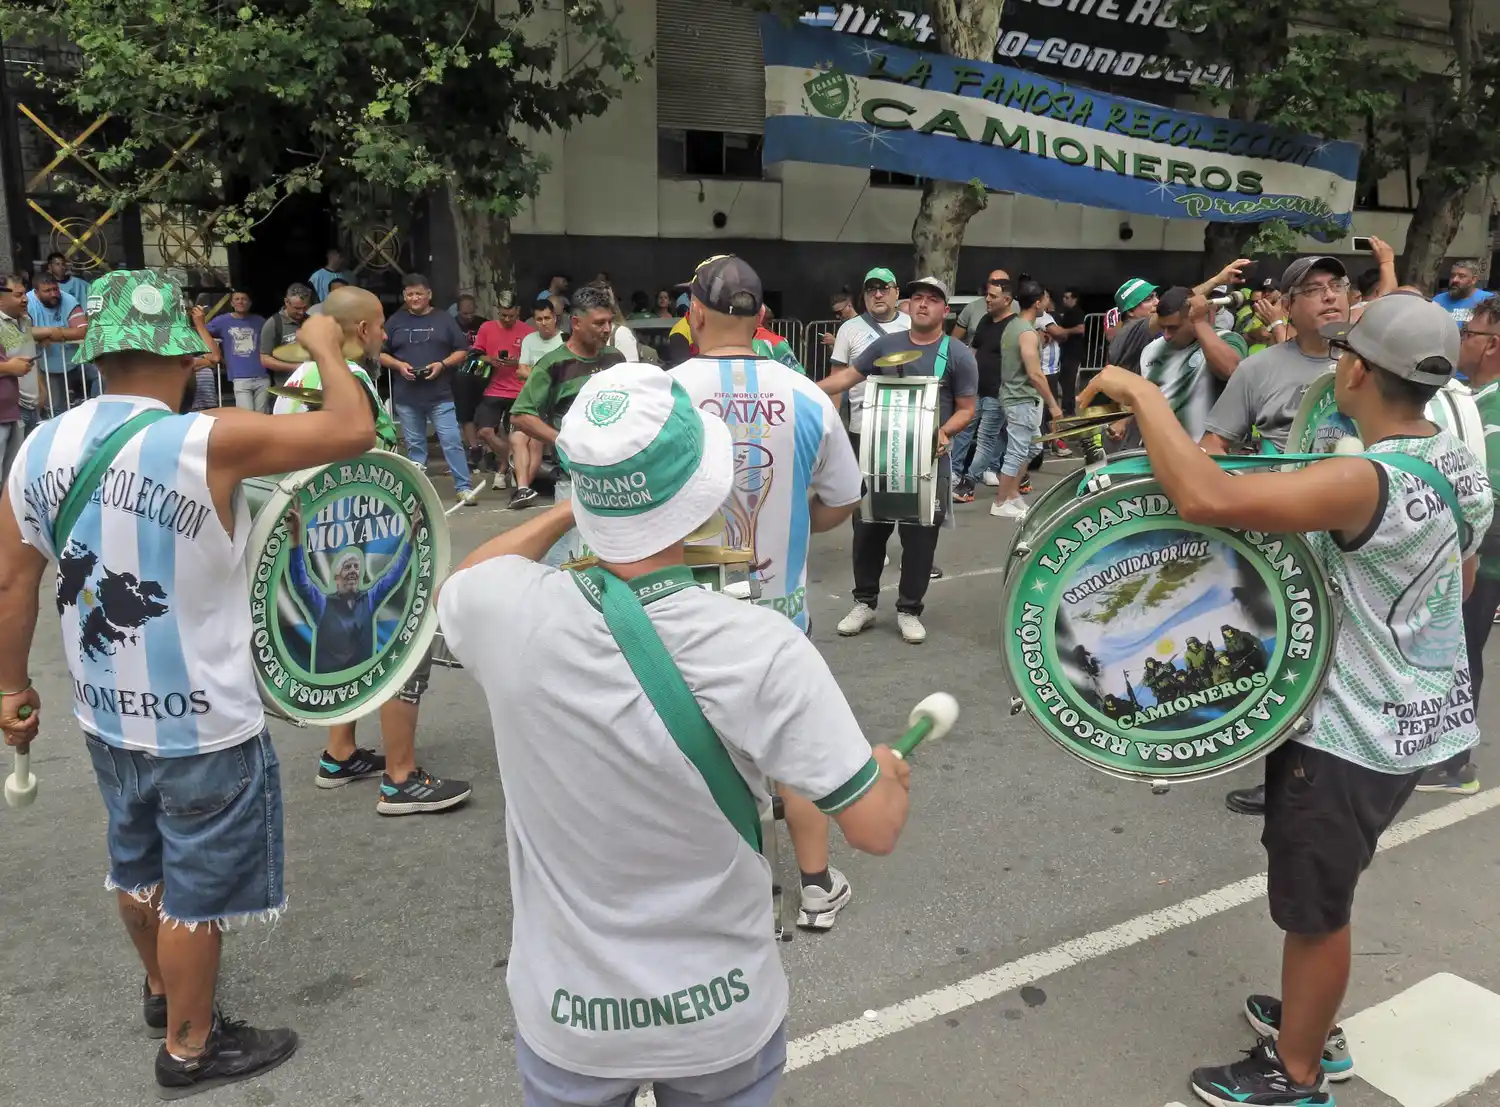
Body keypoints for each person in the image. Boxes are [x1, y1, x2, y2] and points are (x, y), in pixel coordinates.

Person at [435, 362, 912, 1107]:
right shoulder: (766, 647)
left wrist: (577, 512)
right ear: (707, 493)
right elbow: (876, 828)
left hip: (569, 1016)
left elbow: (466, 578)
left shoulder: (507, 613)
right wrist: (889, 770)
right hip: (721, 1015)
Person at [1079, 293, 1492, 1107]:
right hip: (1413, 714)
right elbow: (1464, 575)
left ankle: (1297, 1070)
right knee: (1326, 887)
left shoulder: (1360, 477)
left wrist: (1145, 396)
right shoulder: (1458, 462)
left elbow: (1208, 498)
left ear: (1359, 370)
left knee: (1316, 908)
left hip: (1349, 729)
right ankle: (1307, 1018)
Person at [0, 270, 380, 1097]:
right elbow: (354, 429)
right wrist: (320, 344)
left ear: (96, 353)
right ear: (188, 348)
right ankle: (190, 1045)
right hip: (202, 720)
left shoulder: (39, 445)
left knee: (136, 862)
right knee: (196, 891)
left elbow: (12, 582)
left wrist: (8, 690)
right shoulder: (206, 436)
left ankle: (162, 989)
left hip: (105, 715)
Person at [668, 255, 865, 931]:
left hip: (686, 611)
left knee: (696, 751)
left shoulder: (665, 392)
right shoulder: (809, 394)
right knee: (789, 746)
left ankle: (712, 898)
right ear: (762, 321)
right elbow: (842, 499)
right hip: (780, 613)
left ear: (693, 312)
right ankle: (815, 888)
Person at [818, 276, 978, 644]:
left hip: (927, 459)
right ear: (907, 305)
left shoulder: (957, 354)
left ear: (945, 309)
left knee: (920, 536)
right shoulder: (885, 346)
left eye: (932, 299)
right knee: (868, 530)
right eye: (917, 298)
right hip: (877, 457)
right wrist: (803, 388)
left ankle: (909, 609)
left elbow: (967, 408)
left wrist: (944, 432)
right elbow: (846, 379)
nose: (923, 304)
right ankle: (865, 603)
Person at [1416, 296, 1500, 795]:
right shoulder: (1473, 398)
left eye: (1470, 334)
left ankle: (1452, 763)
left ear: (1493, 346)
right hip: (1474, 555)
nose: (1461, 340)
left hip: (1481, 559)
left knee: (1460, 653)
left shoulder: (1491, 408)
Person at [511, 283, 626, 563]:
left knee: (613, 558)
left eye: (609, 322)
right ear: (575, 322)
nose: (607, 329)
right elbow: (521, 415)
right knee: (566, 561)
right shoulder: (553, 364)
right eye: (599, 323)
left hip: (617, 480)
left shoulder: (616, 359)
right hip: (573, 480)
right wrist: (560, 440)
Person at [1201, 257, 1349, 460]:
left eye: (1337, 286)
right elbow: (1212, 444)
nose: (1330, 296)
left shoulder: (1374, 363)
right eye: (1313, 289)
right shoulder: (1256, 368)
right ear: (1287, 307)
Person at [379, 272, 478, 507]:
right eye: (410, 294)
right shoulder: (395, 321)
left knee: (452, 441)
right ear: (404, 295)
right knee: (415, 447)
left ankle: (464, 488)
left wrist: (442, 364)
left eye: (419, 294)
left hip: (440, 394)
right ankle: (419, 492)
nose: (414, 298)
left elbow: (462, 351)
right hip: (406, 396)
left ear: (429, 295)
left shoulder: (444, 319)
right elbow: (379, 352)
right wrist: (399, 365)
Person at [991, 279, 1062, 520]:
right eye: (1047, 298)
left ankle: (1011, 495)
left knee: (1031, 448)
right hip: (1020, 398)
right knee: (1018, 451)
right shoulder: (1026, 332)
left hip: (1021, 398)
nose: (1049, 302)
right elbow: (1034, 372)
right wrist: (1054, 405)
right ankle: (1001, 501)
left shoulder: (1015, 326)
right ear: (1039, 302)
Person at [1137, 286, 1247, 440]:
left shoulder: (1226, 339)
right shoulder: (1151, 350)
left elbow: (1231, 371)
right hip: (1158, 449)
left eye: (1173, 328)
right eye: (1163, 328)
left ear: (1192, 318)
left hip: (1205, 453)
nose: (1166, 335)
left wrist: (1200, 322)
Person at [951, 277, 1015, 502]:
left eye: (993, 296)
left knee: (987, 439)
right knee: (962, 430)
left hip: (998, 393)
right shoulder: (986, 321)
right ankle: (955, 473)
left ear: (1006, 300)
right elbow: (973, 351)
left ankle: (968, 483)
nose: (987, 299)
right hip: (976, 390)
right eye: (987, 294)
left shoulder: (1014, 326)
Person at [471, 291, 534, 494]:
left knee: (515, 435)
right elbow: (475, 357)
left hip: (519, 390)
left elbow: (535, 363)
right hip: (493, 388)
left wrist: (518, 362)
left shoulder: (527, 331)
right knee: (484, 432)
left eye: (511, 316)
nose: (507, 320)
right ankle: (513, 461)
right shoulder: (486, 328)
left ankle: (502, 470)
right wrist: (490, 360)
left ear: (518, 311)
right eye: (502, 315)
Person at [510, 301, 566, 507]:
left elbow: (528, 372)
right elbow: (520, 370)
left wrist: (535, 374)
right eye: (539, 319)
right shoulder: (529, 340)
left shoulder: (564, 341)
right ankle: (523, 489)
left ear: (555, 318)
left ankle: (524, 489)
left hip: (554, 406)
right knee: (517, 439)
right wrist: (546, 377)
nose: (543, 323)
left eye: (547, 318)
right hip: (532, 403)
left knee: (535, 443)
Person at [27, 273, 92, 415]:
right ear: (36, 293)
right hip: (47, 366)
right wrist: (50, 331)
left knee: (101, 376)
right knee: (56, 407)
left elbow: (83, 330)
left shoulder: (68, 299)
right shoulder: (28, 302)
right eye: (47, 291)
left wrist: (54, 334)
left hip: (76, 360)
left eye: (55, 289)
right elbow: (23, 331)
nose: (53, 294)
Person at [205, 290, 269, 413]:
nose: (241, 301)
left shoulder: (260, 321)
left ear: (250, 303)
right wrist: (215, 353)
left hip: (262, 375)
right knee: (246, 416)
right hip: (239, 377)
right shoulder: (222, 321)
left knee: (263, 416)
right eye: (237, 299)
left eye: (244, 299)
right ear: (232, 303)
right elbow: (203, 333)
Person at [259, 283, 313, 384]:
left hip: (311, 382)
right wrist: (297, 367)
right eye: (297, 308)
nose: (301, 312)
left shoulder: (311, 321)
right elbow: (265, 359)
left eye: (305, 307)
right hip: (286, 385)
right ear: (286, 302)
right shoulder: (273, 324)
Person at [950, 269, 1009, 343]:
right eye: (992, 282)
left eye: (1001, 283)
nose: (996, 286)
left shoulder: (1019, 309)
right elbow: (953, 342)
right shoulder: (972, 308)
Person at [1432, 259, 1494, 326]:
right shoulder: (1438, 300)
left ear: (1473, 280)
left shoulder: (1488, 300)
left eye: (1461, 276)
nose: (1454, 280)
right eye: (1452, 276)